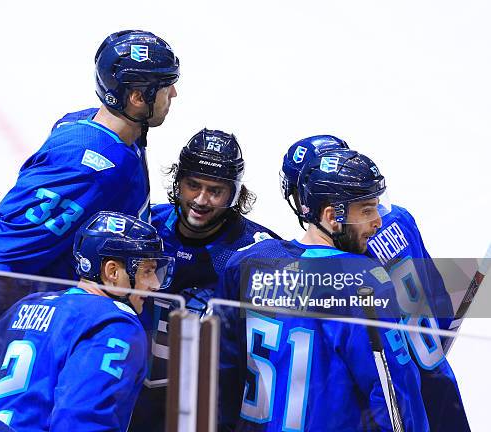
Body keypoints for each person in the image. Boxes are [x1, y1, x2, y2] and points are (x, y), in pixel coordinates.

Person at [0, 30, 179, 427]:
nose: (174, 94)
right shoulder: (92, 165)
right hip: (58, 340)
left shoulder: (99, 130)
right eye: (166, 85)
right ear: (137, 97)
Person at [217, 149, 430, 431]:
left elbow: (221, 373)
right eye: (367, 210)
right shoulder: (363, 280)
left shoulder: (248, 262)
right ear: (332, 216)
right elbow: (394, 394)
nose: (378, 221)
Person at [280, 135, 469, 431]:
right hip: (438, 386)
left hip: (389, 406)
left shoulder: (342, 258)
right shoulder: (400, 220)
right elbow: (441, 304)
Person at [0, 211, 175, 431]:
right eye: (147, 271)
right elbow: (82, 421)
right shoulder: (115, 324)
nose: (154, 284)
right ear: (112, 271)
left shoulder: (24, 306)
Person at [128, 129, 280, 432]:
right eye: (192, 185)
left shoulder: (258, 253)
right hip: (138, 401)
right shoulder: (144, 228)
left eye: (215, 190)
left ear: (235, 195)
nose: (200, 199)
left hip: (208, 411)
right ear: (177, 182)